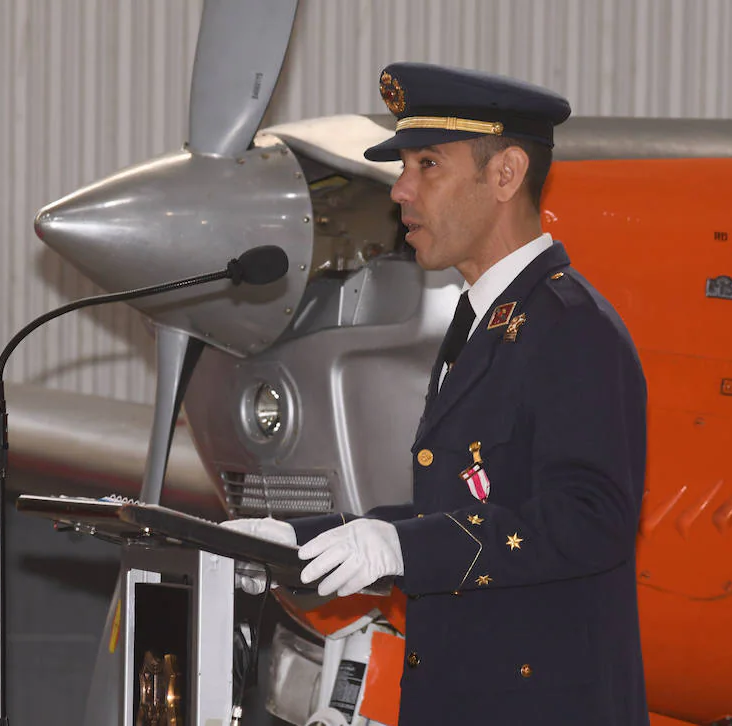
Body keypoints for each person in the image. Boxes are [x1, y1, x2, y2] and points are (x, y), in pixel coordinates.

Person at [224, 62, 649, 725]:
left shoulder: (572, 329)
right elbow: (462, 512)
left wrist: (401, 550)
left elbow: (590, 519)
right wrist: (297, 542)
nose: (401, 191)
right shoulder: (485, 321)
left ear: (504, 175)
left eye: (426, 164)